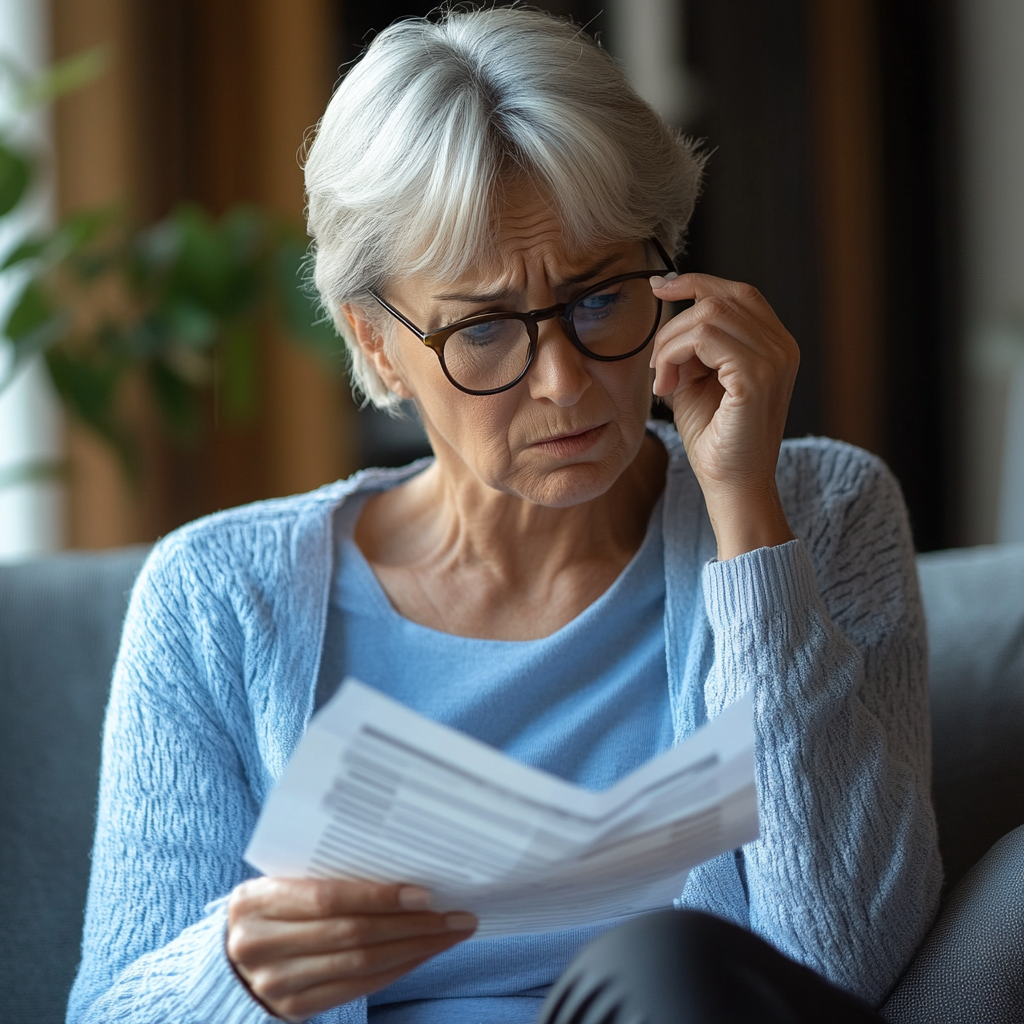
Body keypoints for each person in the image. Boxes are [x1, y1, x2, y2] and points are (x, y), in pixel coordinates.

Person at [67, 7, 942, 1024]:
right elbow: (108, 1008)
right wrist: (235, 974)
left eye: (601, 297)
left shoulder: (821, 513)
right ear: (379, 343)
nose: (564, 384)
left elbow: (845, 962)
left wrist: (745, 515)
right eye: (484, 328)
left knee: (669, 971)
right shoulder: (216, 597)